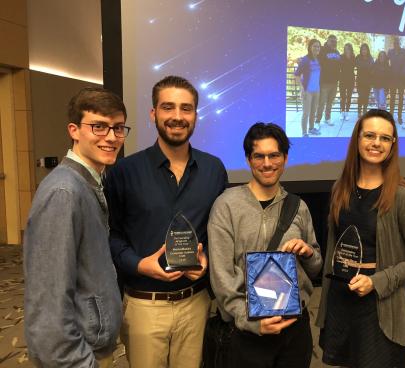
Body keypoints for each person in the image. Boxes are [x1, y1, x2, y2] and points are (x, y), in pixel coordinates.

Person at [105, 76, 228, 368]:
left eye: (186, 109)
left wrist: (208, 259)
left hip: (196, 303)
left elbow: (221, 232)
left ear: (195, 115)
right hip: (144, 305)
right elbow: (110, 234)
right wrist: (137, 263)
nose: (177, 116)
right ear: (153, 114)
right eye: (168, 107)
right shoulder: (124, 171)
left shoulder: (214, 169)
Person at [316, 109, 405, 368]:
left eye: (385, 138)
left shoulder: (402, 196)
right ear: (357, 139)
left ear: (393, 146)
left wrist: (376, 281)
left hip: (379, 305)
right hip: (342, 298)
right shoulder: (341, 189)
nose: (376, 143)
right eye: (369, 135)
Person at [24, 87, 128, 367]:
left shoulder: (89, 183)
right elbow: (48, 299)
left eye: (118, 128)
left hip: (91, 346)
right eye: (99, 126)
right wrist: (75, 361)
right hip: (76, 357)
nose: (111, 137)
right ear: (74, 130)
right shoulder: (64, 192)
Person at [208, 122, 323, 368]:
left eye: (274, 155)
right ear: (249, 159)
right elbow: (221, 274)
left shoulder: (298, 206)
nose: (267, 163)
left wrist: (308, 252)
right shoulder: (226, 205)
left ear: (285, 158)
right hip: (247, 330)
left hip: (294, 328)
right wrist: (248, 320)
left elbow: (315, 268)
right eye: (259, 156)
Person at [294, 38, 322, 137]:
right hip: (307, 91)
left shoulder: (318, 59)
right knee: (306, 113)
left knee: (313, 112)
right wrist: (301, 89)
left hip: (316, 90)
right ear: (310, 47)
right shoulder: (305, 60)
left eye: (318, 46)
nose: (317, 48)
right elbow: (297, 75)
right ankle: (304, 133)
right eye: (314, 46)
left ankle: (311, 129)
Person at [316, 34, 341, 129]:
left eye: (335, 41)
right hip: (324, 82)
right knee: (321, 103)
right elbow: (313, 56)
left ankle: (327, 118)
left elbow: (339, 66)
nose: (334, 43)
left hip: (334, 82)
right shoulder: (322, 50)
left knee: (330, 102)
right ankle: (317, 121)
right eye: (332, 41)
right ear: (327, 41)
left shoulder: (337, 52)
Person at [387, 37, 405, 125]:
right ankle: (391, 116)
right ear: (393, 43)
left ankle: (399, 117)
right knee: (392, 98)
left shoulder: (404, 52)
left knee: (400, 99)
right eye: (394, 42)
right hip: (392, 79)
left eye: (397, 42)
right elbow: (386, 62)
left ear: (399, 43)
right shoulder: (390, 52)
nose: (396, 44)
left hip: (401, 80)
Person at [356, 43, 374, 117]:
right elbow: (356, 65)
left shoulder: (371, 58)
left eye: (365, 49)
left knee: (366, 97)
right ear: (361, 50)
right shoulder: (358, 57)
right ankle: (359, 112)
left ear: (367, 50)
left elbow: (372, 69)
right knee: (361, 96)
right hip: (360, 80)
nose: (364, 51)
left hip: (368, 81)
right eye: (362, 49)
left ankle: (364, 112)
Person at [339, 43, 356, 121]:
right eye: (345, 48)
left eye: (348, 48)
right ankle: (342, 113)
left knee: (349, 97)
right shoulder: (341, 56)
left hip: (351, 79)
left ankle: (347, 113)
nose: (347, 50)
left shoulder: (353, 57)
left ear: (351, 49)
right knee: (342, 97)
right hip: (342, 79)